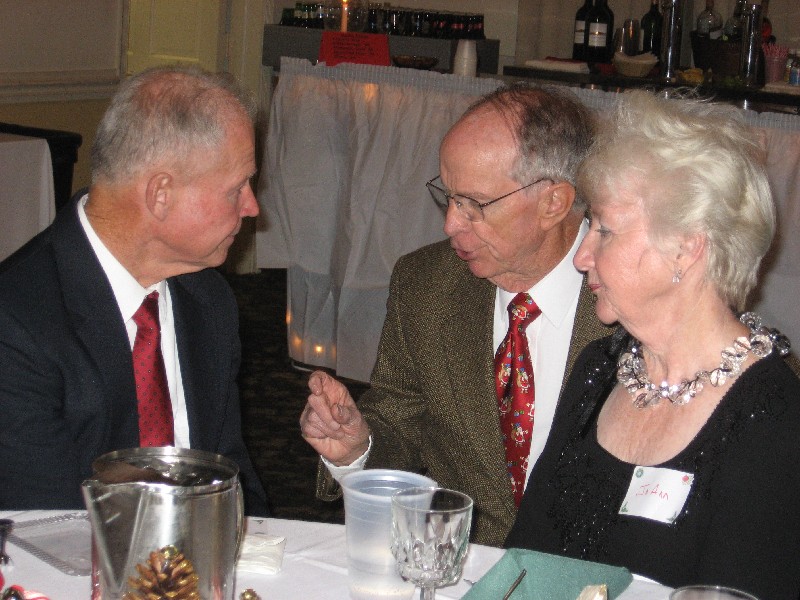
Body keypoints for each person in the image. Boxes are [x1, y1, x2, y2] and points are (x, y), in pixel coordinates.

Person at [505, 91, 800, 599]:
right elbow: (524, 564)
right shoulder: (599, 371)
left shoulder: (771, 417)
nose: (581, 257)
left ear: (685, 248)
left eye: (605, 230)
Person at [300, 84, 612, 547]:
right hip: (460, 564)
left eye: (474, 204)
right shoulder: (427, 285)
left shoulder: (633, 296)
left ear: (554, 203)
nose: (450, 224)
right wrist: (357, 447)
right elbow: (399, 421)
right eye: (447, 197)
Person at [0, 66, 268, 516]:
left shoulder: (208, 301)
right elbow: (47, 527)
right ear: (161, 193)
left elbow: (233, 483)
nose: (252, 206)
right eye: (236, 188)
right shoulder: (18, 322)